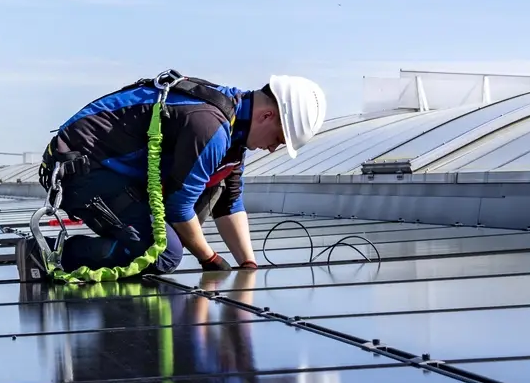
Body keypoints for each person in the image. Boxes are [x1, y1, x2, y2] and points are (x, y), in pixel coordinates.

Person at [36, 73, 326, 275]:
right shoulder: (209, 126)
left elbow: (229, 202)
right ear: (267, 116)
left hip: (114, 174)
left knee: (214, 189)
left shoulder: (234, 131)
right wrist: (209, 258)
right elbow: (179, 206)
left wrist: (247, 265)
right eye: (278, 139)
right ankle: (45, 254)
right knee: (163, 253)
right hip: (80, 172)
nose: (273, 148)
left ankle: (127, 239)